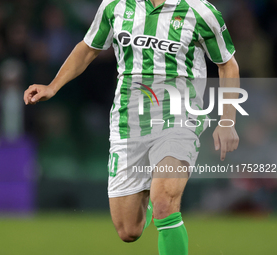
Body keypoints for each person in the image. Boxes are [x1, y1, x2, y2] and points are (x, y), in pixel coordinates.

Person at [24, 0, 240, 254]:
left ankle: (157, 201)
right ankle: (148, 199)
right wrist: (53, 86)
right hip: (129, 121)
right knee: (129, 230)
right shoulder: (115, 5)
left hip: (179, 118)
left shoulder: (200, 11)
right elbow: (88, 48)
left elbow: (228, 64)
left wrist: (227, 120)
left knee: (165, 204)